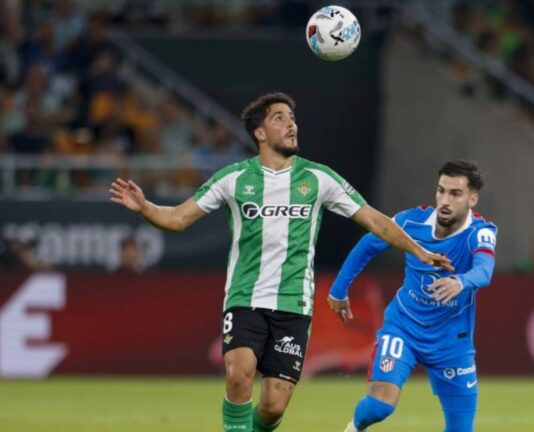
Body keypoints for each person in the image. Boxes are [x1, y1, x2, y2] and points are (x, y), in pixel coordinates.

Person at [108, 92, 452, 432]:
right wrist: (145, 208)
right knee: (239, 374)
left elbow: (377, 221)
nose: (291, 124)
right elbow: (179, 218)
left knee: (273, 407)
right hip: (245, 297)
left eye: (292, 118)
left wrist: (418, 250)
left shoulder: (319, 179)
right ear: (260, 133)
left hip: (293, 304)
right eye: (280, 118)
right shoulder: (233, 179)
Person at [328, 160, 498, 432]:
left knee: (461, 429)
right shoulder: (411, 221)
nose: (444, 200)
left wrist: (461, 281)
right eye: (441, 190)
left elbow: (484, 270)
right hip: (403, 328)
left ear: (472, 199)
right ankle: (353, 428)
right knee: (379, 406)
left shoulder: (481, 232)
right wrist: (339, 289)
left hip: (452, 342)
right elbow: (368, 245)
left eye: (455, 194)